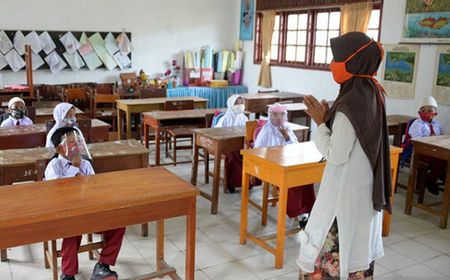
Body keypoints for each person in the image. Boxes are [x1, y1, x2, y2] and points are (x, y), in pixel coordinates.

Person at [298, 32, 391, 279]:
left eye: (337, 59)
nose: (332, 65)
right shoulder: (372, 92)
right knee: (358, 253)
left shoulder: (350, 102)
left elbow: (336, 154)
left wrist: (319, 124)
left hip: (345, 199)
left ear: (352, 63)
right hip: (364, 191)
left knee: (335, 258)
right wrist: (330, 121)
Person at [45, 126, 125, 280]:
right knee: (72, 230)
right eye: (72, 142)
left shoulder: (86, 165)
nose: (77, 145)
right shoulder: (54, 166)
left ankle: (103, 265)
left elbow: (94, 188)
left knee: (119, 223)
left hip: (89, 211)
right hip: (66, 215)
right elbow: (56, 193)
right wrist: (74, 169)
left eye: (78, 141)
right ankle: (68, 275)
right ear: (61, 149)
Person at [254, 103, 315, 227]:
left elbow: (296, 147)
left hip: (288, 162)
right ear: (270, 116)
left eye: (282, 115)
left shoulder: (287, 128)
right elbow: (258, 151)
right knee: (291, 182)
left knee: (306, 178)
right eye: (275, 115)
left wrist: (286, 136)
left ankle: (309, 210)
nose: (279, 118)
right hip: (273, 166)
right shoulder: (266, 131)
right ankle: (300, 214)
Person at [408, 96, 445, 195]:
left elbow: (441, 136)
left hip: (434, 151)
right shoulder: (417, 124)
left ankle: (433, 177)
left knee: (445, 159)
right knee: (440, 160)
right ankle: (431, 179)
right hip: (421, 152)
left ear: (435, 113)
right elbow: (416, 141)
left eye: (430, 111)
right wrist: (430, 139)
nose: (428, 113)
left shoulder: (437, 124)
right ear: (420, 112)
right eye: (425, 111)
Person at [213, 94, 249, 192]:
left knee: (249, 156)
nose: (240, 105)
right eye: (237, 103)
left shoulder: (244, 118)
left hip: (241, 145)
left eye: (241, 103)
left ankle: (248, 181)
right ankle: (231, 183)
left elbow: (248, 133)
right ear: (231, 104)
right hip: (227, 146)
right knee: (233, 157)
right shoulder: (225, 119)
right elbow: (217, 134)